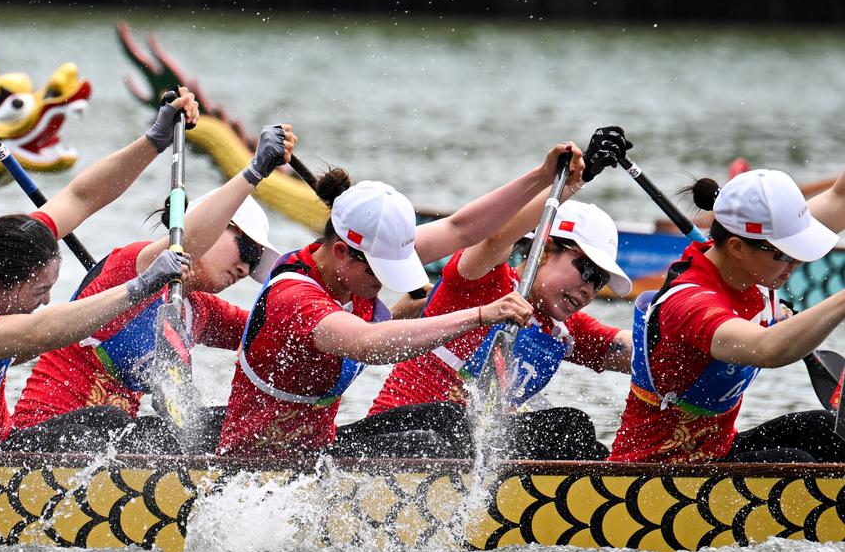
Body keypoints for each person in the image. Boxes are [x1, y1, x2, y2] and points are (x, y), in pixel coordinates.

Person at [0, 89, 261, 453]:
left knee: (181, 423)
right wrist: (140, 286)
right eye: (39, 292)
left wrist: (154, 141)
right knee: (105, 426)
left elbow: (80, 198)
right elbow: (37, 333)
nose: (46, 299)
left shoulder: (9, 248)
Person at [216, 142, 586, 458]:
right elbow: (368, 343)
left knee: (450, 420)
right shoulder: (295, 297)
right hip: (262, 468)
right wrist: (479, 315)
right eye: (379, 271)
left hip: (317, 454)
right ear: (342, 252)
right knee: (430, 442)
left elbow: (461, 229)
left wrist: (543, 176)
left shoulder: (354, 266)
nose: (382, 282)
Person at [355, 197, 633, 460]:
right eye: (587, 271)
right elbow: (495, 236)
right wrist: (570, 184)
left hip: (465, 452)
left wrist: (661, 320)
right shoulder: (483, 280)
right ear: (545, 250)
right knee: (566, 426)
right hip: (394, 437)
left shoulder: (564, 331)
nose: (589, 289)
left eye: (599, 281)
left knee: (581, 441)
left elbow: (642, 352)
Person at [609, 168, 845, 463]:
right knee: (795, 462)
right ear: (737, 247)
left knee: (825, 430)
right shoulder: (689, 304)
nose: (795, 263)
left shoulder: (757, 259)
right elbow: (767, 349)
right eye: (786, 254)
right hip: (653, 471)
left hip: (717, 454)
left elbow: (840, 197)